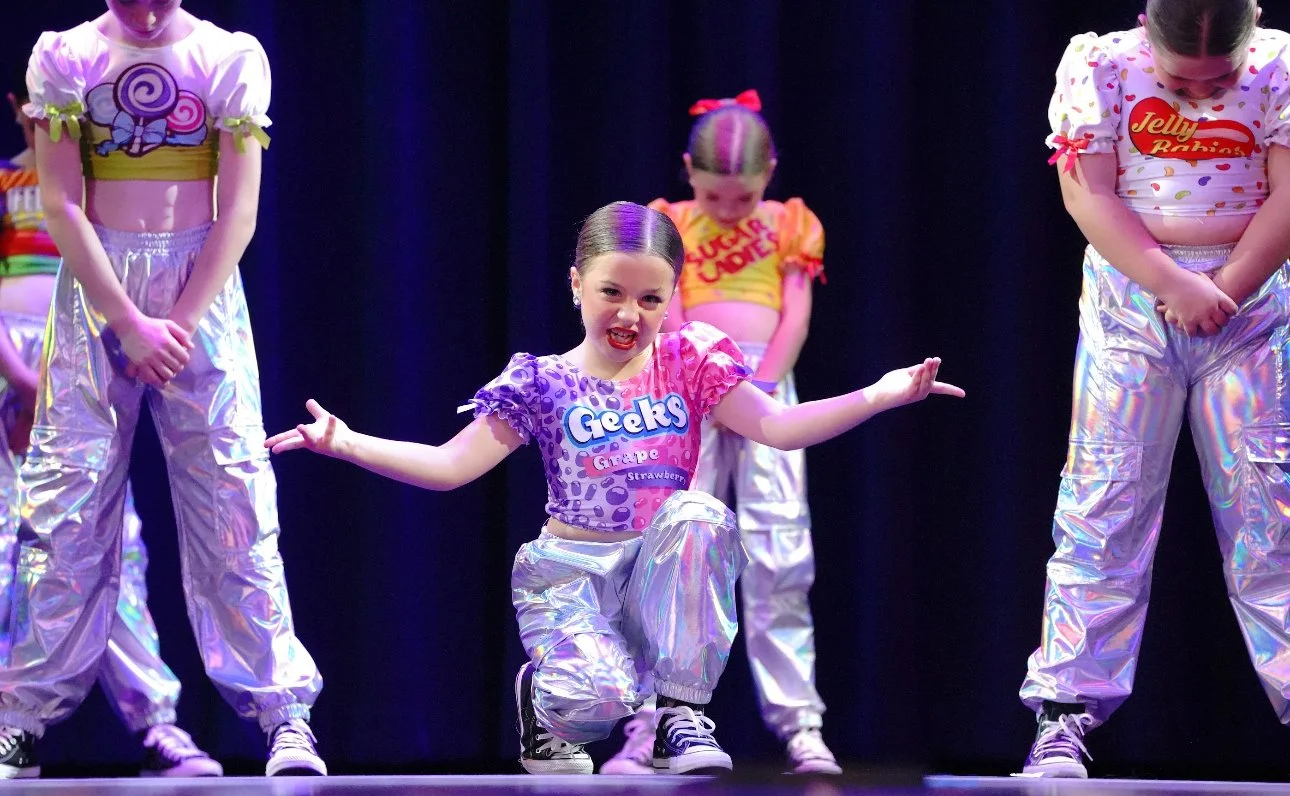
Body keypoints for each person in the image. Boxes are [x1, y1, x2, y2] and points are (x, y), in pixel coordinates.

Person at [266, 200, 964, 775]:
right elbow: (452, 466)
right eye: (612, 292)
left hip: (658, 578)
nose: (630, 313)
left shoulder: (693, 363)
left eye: (651, 298)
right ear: (577, 285)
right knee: (594, 705)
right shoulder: (542, 382)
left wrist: (877, 394)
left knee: (701, 514)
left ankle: (679, 715)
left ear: (672, 299)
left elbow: (777, 427)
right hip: (571, 579)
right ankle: (545, 700)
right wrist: (345, 442)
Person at [0, 1, 324, 778]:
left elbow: (237, 208)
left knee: (233, 498)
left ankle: (284, 711)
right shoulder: (68, 57)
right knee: (63, 507)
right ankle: (19, 717)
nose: (145, 10)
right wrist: (125, 320)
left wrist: (175, 321)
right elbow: (63, 200)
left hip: (200, 296)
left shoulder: (227, 57)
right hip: (96, 291)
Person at [1019, 0, 1290, 778]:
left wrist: (1226, 286)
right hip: (1133, 303)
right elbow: (1089, 195)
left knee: (1269, 509)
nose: (1202, 96)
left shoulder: (1280, 65)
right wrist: (1173, 284)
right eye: (1180, 79)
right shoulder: (1099, 65)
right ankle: (1066, 709)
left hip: (1249, 305)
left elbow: (1286, 193)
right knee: (1105, 499)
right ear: (1147, 27)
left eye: (1221, 79)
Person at [604, 88, 839, 776]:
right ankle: (651, 727)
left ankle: (801, 724)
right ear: (688, 172)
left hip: (765, 396)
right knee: (671, 557)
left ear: (768, 177)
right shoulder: (667, 224)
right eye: (714, 198)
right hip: (689, 399)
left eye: (742, 199)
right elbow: (667, 314)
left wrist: (763, 382)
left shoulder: (790, 223)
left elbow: (795, 314)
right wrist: (700, 378)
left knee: (779, 556)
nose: (728, 212)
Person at [0, 76, 219, 779]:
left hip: (84, 360)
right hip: (13, 360)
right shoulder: (8, 183)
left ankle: (157, 723)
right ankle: (12, 725)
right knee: (12, 544)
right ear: (17, 110)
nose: (45, 119)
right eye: (33, 109)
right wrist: (20, 376)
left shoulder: (103, 189)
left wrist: (74, 376)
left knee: (108, 547)